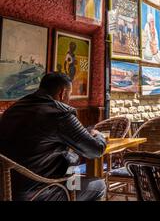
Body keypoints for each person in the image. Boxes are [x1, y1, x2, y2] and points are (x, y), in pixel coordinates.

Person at [0, 73, 107, 201]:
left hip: (6, 190)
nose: (69, 98)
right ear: (63, 93)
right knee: (98, 185)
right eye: (70, 94)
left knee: (72, 167)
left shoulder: (14, 108)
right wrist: (99, 135)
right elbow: (95, 150)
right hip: (38, 193)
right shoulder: (60, 114)